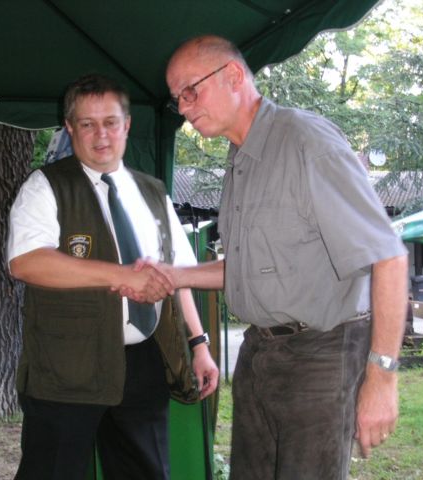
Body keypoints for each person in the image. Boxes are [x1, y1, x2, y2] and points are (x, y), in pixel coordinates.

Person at [160, 35, 409, 479]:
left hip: (321, 353)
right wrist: (175, 276)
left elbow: (388, 257)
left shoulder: (306, 141)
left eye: (190, 91)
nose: (182, 107)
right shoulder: (240, 158)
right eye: (177, 97)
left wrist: (382, 377)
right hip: (259, 353)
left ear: (233, 76)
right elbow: (248, 269)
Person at [7, 74, 218, 480]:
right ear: (70, 128)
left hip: (143, 364)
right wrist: (122, 276)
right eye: (87, 123)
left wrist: (199, 344)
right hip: (66, 368)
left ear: (127, 125)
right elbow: (26, 262)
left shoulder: (153, 192)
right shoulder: (45, 186)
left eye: (110, 122)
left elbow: (178, 274)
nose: (100, 134)